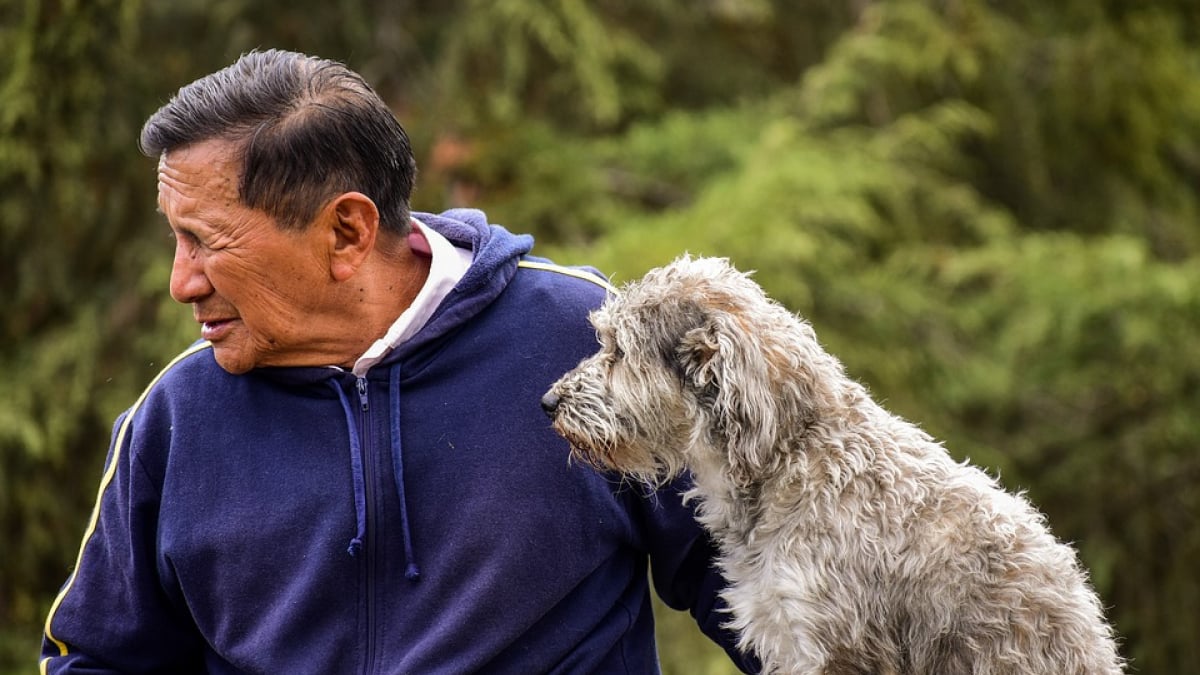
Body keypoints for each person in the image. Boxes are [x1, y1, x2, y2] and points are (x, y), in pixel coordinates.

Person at [40, 49, 756, 674]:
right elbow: (98, 659)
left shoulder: (585, 339)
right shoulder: (176, 417)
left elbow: (762, 583)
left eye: (205, 241)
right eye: (175, 238)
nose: (180, 281)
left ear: (348, 231)